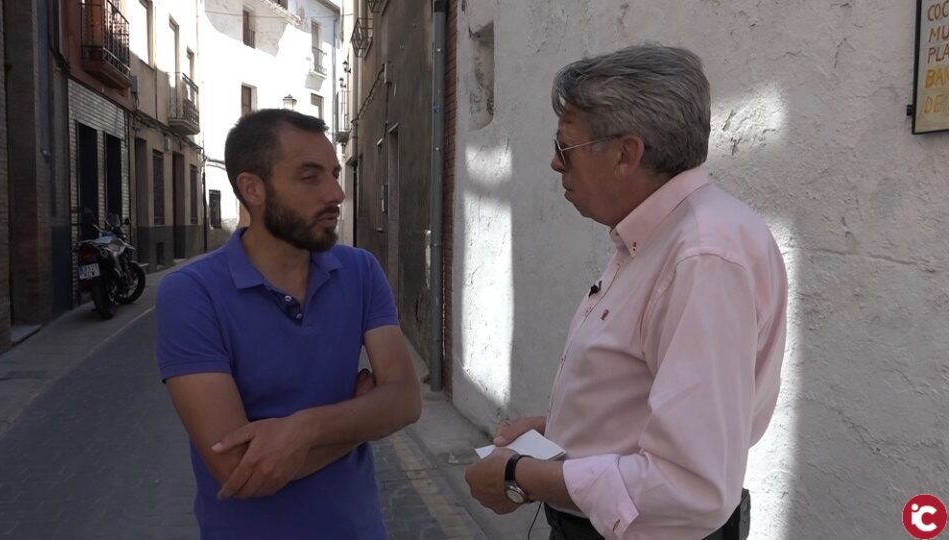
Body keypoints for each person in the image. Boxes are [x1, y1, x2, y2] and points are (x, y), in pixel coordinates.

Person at [464, 44, 788, 540]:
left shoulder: (702, 256)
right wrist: (558, 432)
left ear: (625, 154)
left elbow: (688, 486)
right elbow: (640, 398)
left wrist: (518, 477)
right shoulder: (658, 238)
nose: (554, 164)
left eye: (565, 147)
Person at [156, 109, 422, 539]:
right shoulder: (191, 293)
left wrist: (303, 429)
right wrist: (362, 421)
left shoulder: (360, 271)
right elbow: (238, 469)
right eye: (310, 176)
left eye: (334, 174)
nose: (336, 193)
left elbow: (406, 401)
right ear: (253, 189)